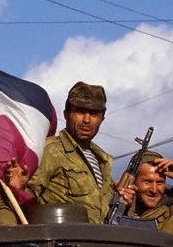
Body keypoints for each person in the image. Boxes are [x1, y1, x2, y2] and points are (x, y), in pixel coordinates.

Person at [7, 81, 113, 223]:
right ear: (66, 114)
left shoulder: (102, 160)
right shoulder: (50, 150)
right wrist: (19, 189)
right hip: (61, 235)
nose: (87, 120)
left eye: (94, 114)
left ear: (102, 119)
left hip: (100, 236)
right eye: (80, 112)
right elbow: (27, 202)